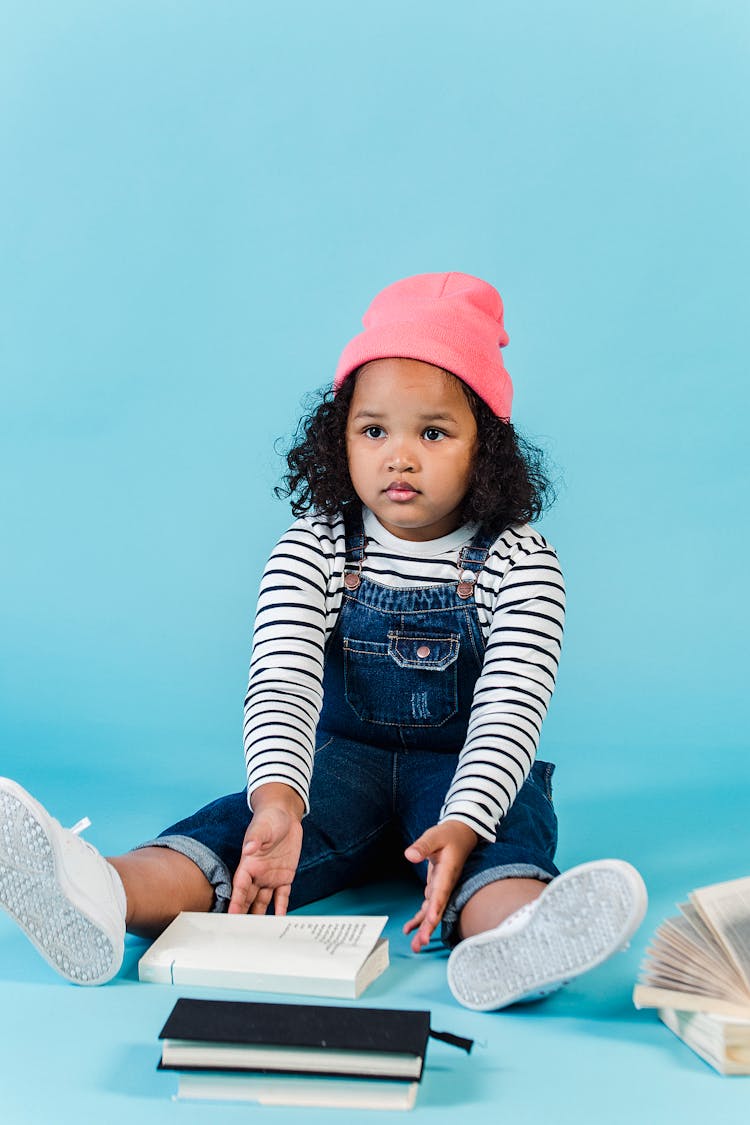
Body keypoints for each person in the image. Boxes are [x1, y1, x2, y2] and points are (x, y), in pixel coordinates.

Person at [0, 272, 647, 1008]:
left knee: (504, 843)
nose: (399, 457)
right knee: (238, 833)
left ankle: (518, 939)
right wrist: (278, 799)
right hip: (340, 765)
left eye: (432, 432)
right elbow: (282, 677)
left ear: (485, 448)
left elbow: (512, 702)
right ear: (339, 438)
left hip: (466, 768)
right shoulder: (314, 546)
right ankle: (100, 890)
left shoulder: (519, 559)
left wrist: (465, 820)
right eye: (374, 430)